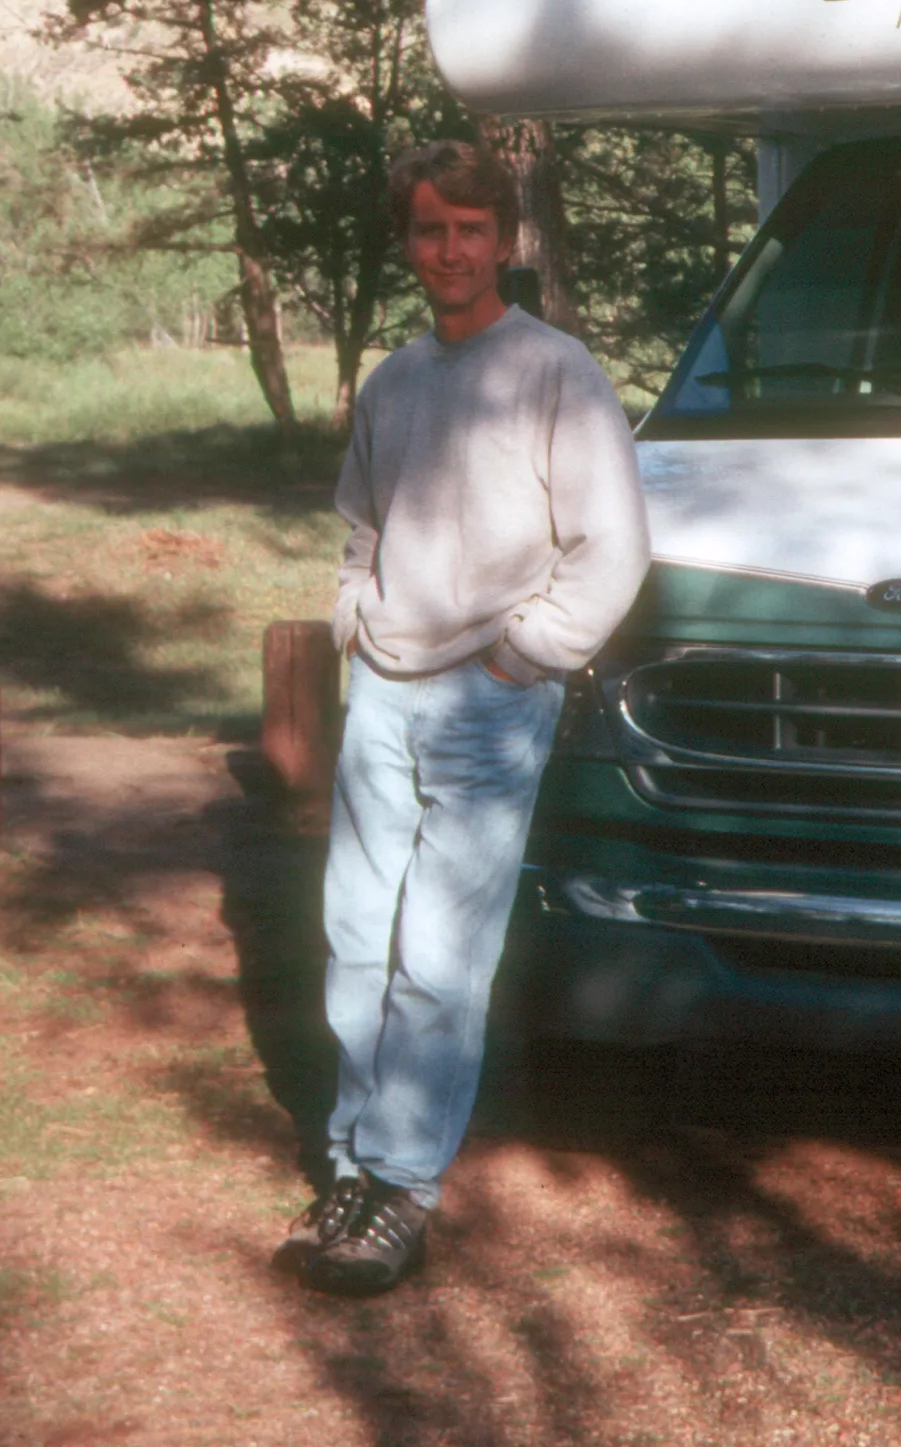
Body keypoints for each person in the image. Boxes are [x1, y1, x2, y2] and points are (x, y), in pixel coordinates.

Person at [283, 139, 651, 1297]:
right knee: (355, 935)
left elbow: (614, 548)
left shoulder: (556, 371)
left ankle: (400, 1184)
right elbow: (360, 520)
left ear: (505, 239)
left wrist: (525, 651)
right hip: (381, 693)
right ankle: (351, 1155)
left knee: (441, 958)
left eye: (470, 229)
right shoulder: (395, 381)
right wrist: (354, 613)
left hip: (489, 703)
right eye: (429, 229)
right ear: (410, 240)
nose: (449, 250)